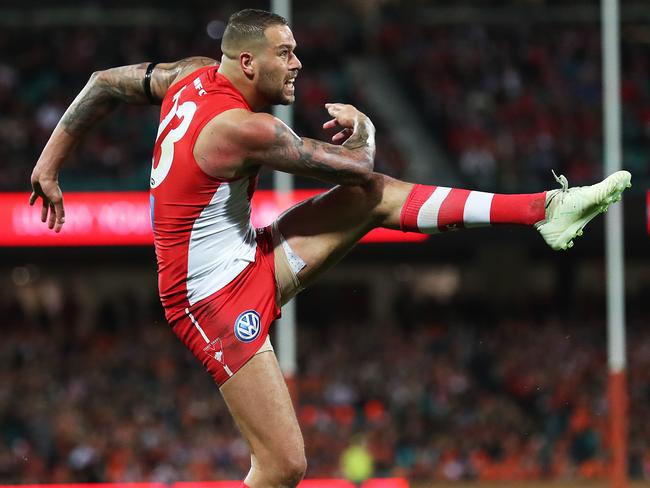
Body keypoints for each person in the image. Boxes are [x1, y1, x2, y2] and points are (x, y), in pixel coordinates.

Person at [29, 8, 630, 488]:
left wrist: (50, 163)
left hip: (246, 256)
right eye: (284, 53)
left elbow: (104, 83)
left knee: (373, 198)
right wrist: (364, 129)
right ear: (246, 61)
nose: (297, 63)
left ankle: (543, 210)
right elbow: (356, 162)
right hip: (205, 299)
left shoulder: (188, 75)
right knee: (284, 466)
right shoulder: (243, 129)